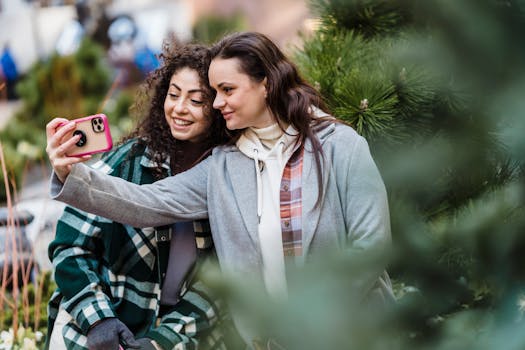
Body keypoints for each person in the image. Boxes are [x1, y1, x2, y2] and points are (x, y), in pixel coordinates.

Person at [46, 32, 395, 348]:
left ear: (267, 85)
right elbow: (149, 201)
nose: (216, 103)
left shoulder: (341, 146)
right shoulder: (226, 164)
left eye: (226, 91)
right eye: (213, 93)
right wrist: (70, 173)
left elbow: (372, 247)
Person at [46, 43, 232, 350]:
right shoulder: (127, 162)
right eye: (173, 95)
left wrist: (159, 342)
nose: (179, 108)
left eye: (197, 99)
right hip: (106, 321)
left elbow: (219, 284)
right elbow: (69, 246)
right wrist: (99, 320)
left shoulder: (228, 176)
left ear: (219, 105)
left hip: (183, 333)